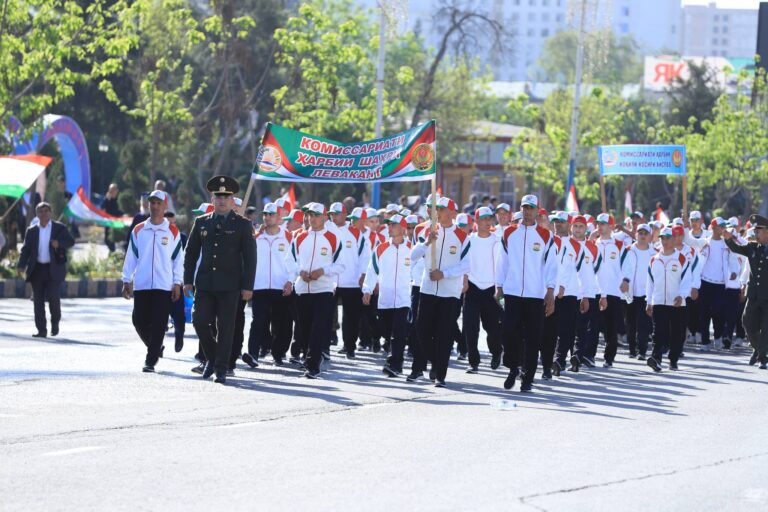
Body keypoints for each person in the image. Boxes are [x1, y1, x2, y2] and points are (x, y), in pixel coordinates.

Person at [183, 175, 256, 385]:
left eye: (226, 196)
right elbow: (191, 252)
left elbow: (250, 258)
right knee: (199, 321)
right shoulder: (202, 222)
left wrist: (248, 286)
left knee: (226, 327)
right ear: (212, 199)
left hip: (230, 285)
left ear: (232, 200)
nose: (222, 200)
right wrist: (188, 280)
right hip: (205, 283)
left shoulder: (242, 225)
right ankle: (213, 359)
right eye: (218, 196)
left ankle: (221, 368)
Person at [495, 194, 557, 392]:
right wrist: (499, 285)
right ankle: (513, 367)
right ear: (520, 209)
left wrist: (550, 290)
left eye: (531, 208)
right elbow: (502, 261)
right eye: (525, 207)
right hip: (512, 291)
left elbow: (551, 266)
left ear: (538, 210)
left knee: (533, 337)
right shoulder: (509, 233)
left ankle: (528, 378)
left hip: (535, 293)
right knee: (508, 332)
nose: (528, 211)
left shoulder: (546, 236)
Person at [407, 197, 470, 387]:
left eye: (442, 209)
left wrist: (445, 274)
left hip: (449, 293)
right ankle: (435, 361)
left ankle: (440, 375)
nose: (438, 212)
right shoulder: (428, 231)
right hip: (427, 289)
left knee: (444, 334)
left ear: (452, 213)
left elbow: (466, 265)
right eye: (437, 209)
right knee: (421, 329)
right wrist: (426, 243)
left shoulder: (462, 236)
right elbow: (412, 256)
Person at [121, 191, 184, 372]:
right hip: (142, 284)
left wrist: (177, 283)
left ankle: (150, 360)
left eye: (158, 203)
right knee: (138, 320)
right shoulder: (139, 229)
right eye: (152, 203)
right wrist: (126, 279)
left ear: (165, 206)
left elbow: (178, 259)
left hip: (164, 285)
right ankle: (155, 348)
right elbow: (131, 255)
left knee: (158, 323)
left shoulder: (172, 231)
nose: (155, 206)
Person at [290, 202, 345, 378]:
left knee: (318, 327)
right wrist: (300, 271)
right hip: (302, 289)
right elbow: (289, 260)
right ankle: (309, 358)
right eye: (309, 215)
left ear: (324, 218)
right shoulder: (299, 237)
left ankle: (313, 364)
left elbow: (342, 265)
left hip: (324, 289)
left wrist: (323, 271)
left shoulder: (333, 238)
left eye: (315, 215)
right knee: (304, 329)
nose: (311, 219)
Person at [244, 202, 294, 367]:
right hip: (260, 286)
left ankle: (278, 354)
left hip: (281, 287)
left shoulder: (288, 237)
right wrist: (248, 284)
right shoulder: (256, 237)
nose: (267, 217)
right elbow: (248, 261)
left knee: (280, 323)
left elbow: (295, 261)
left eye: (271, 214)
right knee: (258, 321)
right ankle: (253, 354)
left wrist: (290, 281)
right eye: (265, 214)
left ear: (279, 217)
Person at [363, 213, 412, 376]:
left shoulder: (411, 249)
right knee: (387, 332)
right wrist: (367, 289)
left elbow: (419, 271)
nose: (389, 228)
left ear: (403, 228)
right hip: (385, 298)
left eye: (393, 225)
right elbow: (372, 270)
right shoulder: (381, 248)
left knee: (398, 333)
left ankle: (394, 364)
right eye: (389, 225)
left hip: (404, 299)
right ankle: (396, 359)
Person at [17, 202, 75, 338]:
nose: (43, 214)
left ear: (50, 212)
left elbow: (71, 242)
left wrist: (59, 243)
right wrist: (21, 265)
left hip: (53, 270)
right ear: (37, 214)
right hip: (37, 270)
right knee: (38, 302)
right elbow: (25, 250)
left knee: (54, 299)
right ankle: (41, 330)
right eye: (40, 211)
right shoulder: (31, 230)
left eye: (46, 211)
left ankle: (55, 322)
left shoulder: (59, 228)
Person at [723, 215, 768, 369]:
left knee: (766, 327)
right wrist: (728, 239)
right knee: (747, 322)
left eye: (759, 231)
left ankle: (763, 358)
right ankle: (757, 348)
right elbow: (736, 248)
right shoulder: (752, 247)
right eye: (755, 230)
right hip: (754, 295)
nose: (756, 233)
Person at [462, 206, 503, 373]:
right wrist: (464, 281)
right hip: (472, 287)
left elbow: (502, 265)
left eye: (489, 219)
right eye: (484, 219)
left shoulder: (498, 241)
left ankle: (496, 351)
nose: (487, 222)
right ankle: (473, 361)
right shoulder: (469, 240)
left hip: (491, 289)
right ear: (476, 221)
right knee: (470, 327)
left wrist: (500, 287)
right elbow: (463, 262)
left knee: (492, 327)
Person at [646, 227, 692, 372]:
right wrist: (649, 301)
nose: (665, 241)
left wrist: (682, 295)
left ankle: (673, 360)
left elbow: (687, 280)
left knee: (676, 334)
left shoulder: (681, 258)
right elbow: (650, 282)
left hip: (677, 303)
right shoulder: (654, 259)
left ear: (674, 239)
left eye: (667, 238)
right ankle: (656, 358)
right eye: (662, 238)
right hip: (659, 301)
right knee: (658, 332)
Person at [329, 202, 369, 359]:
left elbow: (364, 256)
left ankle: (349, 346)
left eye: (336, 213)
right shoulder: (326, 230)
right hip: (329, 279)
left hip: (351, 280)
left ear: (345, 214)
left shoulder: (355, 233)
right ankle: (325, 345)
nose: (333, 216)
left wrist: (362, 275)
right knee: (326, 314)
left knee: (351, 316)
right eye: (331, 213)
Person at [593, 213, 627, 368]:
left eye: (603, 224)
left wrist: (625, 280)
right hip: (595, 290)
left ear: (611, 227)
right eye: (598, 223)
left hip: (613, 291)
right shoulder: (593, 244)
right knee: (592, 325)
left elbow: (627, 266)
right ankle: (589, 355)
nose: (600, 226)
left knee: (610, 327)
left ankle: (609, 357)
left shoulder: (619, 245)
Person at [620, 223, 655, 360]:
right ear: (636, 235)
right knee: (630, 323)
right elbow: (623, 268)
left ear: (650, 236)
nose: (642, 236)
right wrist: (624, 281)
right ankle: (632, 349)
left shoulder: (654, 253)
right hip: (629, 293)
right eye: (640, 233)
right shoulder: (628, 250)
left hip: (646, 294)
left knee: (644, 323)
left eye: (645, 233)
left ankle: (642, 350)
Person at [164, 211, 188, 352]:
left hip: (177, 283)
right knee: (158, 318)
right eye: (169, 222)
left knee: (179, 316)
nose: (172, 225)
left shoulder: (182, 238)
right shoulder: (157, 236)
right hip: (160, 284)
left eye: (174, 223)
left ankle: (179, 334)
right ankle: (157, 346)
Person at [102, 183, 122, 252]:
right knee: (107, 240)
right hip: (109, 222)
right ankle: (112, 252)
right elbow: (102, 208)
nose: (112, 192)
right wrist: (106, 199)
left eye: (114, 190)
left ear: (117, 191)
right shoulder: (107, 199)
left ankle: (114, 253)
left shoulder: (119, 199)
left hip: (117, 222)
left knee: (116, 240)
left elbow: (121, 211)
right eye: (111, 190)